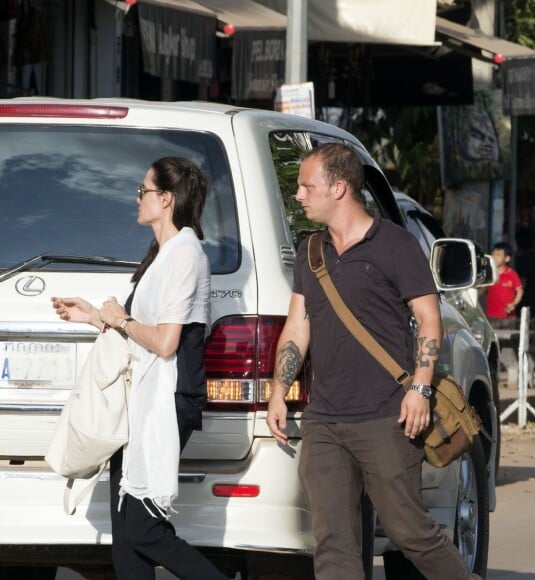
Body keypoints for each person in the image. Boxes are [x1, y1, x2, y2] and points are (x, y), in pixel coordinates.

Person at [266, 143, 478, 580]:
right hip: (324, 420)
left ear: (339, 187)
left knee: (408, 532)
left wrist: (419, 389)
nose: (299, 196)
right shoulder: (311, 252)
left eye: (307, 186)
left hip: (386, 416)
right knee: (333, 543)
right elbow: (297, 327)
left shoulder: (396, 245)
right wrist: (278, 392)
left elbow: (428, 320)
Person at [52, 157, 227, 580]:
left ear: (166, 199)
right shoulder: (163, 255)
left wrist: (120, 320)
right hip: (140, 403)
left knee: (143, 530)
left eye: (143, 190)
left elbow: (165, 343)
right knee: (127, 537)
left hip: (164, 403)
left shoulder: (186, 254)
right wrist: (95, 315)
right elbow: (138, 334)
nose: (138, 197)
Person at [485, 241, 524, 328]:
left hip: (508, 317)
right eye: (493, 254)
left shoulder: (511, 274)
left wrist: (514, 304)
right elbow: (481, 290)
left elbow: (520, 291)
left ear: (507, 258)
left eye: (498, 255)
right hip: (491, 316)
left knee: (508, 340)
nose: (495, 257)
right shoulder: (488, 274)